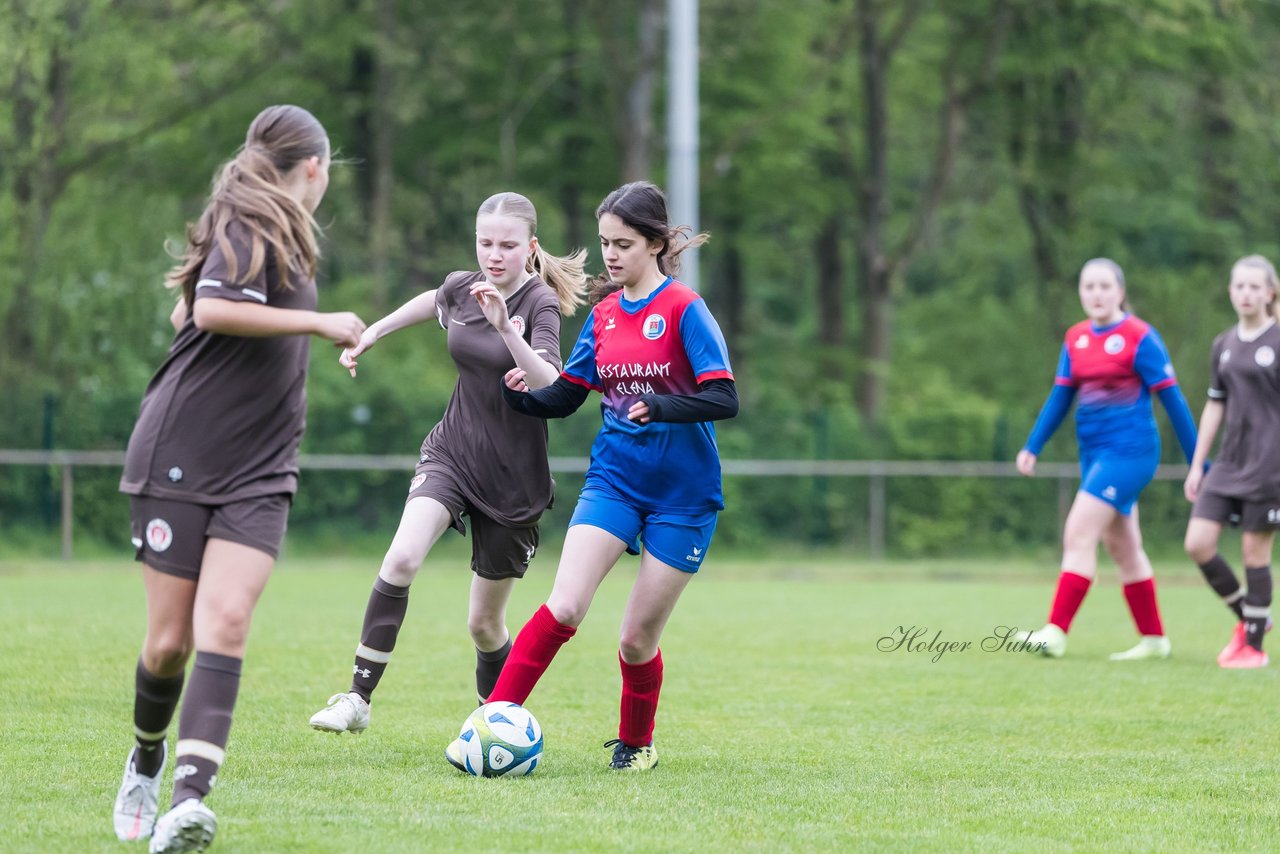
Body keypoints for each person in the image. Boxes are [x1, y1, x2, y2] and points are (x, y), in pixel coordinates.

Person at [112, 105, 366, 853]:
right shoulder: (242, 220)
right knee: (166, 645)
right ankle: (148, 759)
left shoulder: (277, 233)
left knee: (223, 622)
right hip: (180, 454)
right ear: (315, 169)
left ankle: (189, 802)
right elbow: (216, 309)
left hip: (261, 467)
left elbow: (192, 305)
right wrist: (320, 325)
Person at [446, 180, 738, 773]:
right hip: (615, 482)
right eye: (605, 242)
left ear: (655, 245)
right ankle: (490, 721)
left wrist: (660, 405)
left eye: (623, 243)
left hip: (683, 497)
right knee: (565, 606)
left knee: (635, 639)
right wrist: (523, 398)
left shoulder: (685, 309)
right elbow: (566, 396)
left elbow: (724, 398)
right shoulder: (604, 316)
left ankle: (635, 745)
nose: (610, 254)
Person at [307, 192, 588, 734]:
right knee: (401, 559)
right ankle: (357, 699)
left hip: (514, 481)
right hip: (452, 453)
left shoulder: (539, 305)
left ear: (530, 248)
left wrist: (508, 329)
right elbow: (431, 301)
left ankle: (496, 721)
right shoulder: (463, 287)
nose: (494, 255)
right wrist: (371, 335)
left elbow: (550, 384)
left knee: (484, 625)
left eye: (507, 245)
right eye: (486, 243)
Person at [1015, 258, 1197, 661]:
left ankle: (1055, 633)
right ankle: (1154, 640)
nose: (1095, 294)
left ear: (1120, 291)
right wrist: (1033, 445)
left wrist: (1196, 462)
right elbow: (1060, 396)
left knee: (1078, 532)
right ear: (1080, 293)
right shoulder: (1076, 338)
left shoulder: (1139, 337)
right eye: (1088, 287)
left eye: (1104, 286)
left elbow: (1175, 401)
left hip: (1131, 453)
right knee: (1123, 547)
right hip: (1094, 454)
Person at [1183, 255, 1280, 669]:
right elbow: (1215, 405)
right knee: (1197, 543)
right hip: (1227, 464)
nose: (1246, 294)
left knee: (1254, 555)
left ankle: (1253, 650)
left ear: (1270, 293)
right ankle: (1252, 618)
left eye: (1255, 287)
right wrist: (1197, 463)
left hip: (1270, 465)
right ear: (1230, 291)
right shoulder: (1223, 344)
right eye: (1239, 286)